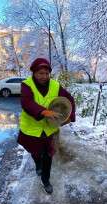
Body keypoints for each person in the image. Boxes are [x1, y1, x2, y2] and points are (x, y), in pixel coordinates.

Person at [17, 58, 76, 194]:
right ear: (34, 73)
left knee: (48, 155)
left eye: (46, 73)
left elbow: (69, 99)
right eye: (40, 73)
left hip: (50, 129)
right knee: (35, 153)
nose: (44, 76)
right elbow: (27, 103)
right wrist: (43, 112)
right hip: (32, 128)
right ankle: (37, 164)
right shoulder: (27, 85)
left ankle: (46, 180)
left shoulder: (55, 85)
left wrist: (70, 117)